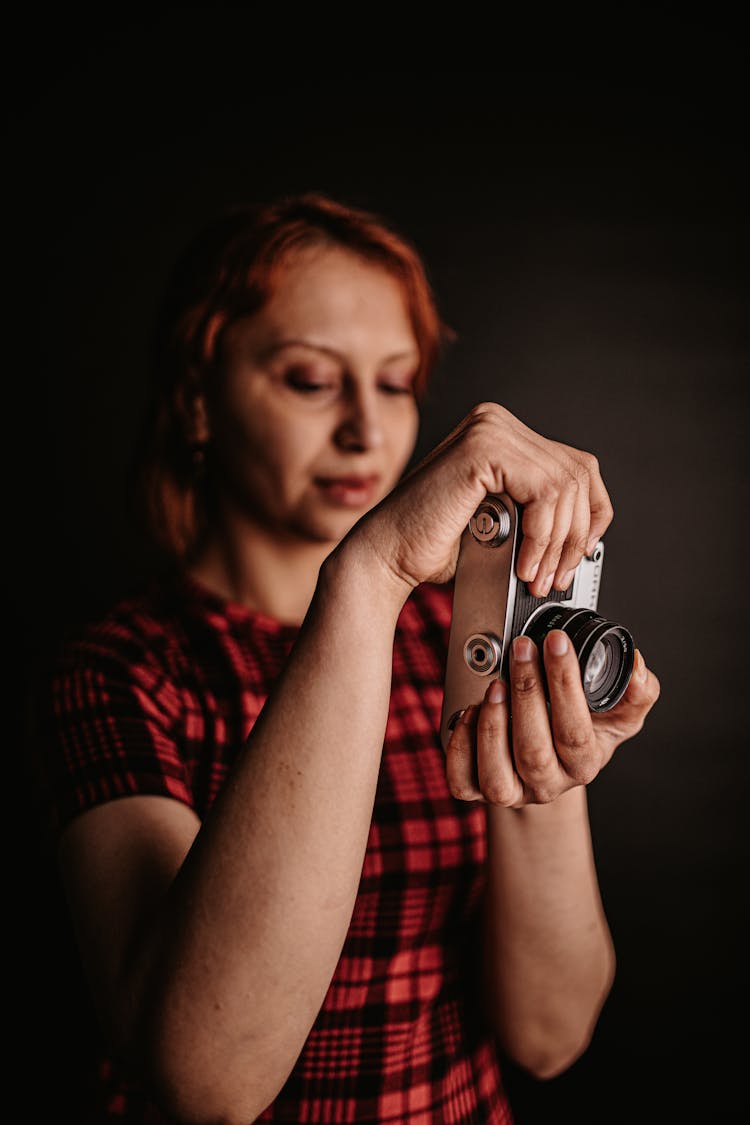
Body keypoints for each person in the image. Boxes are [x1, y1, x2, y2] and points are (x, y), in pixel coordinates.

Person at [36, 192, 660, 1124]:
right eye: (310, 379)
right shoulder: (126, 671)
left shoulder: (465, 642)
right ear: (198, 398)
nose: (368, 431)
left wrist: (544, 777)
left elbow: (551, 1030)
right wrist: (368, 576)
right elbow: (208, 1081)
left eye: (398, 381)